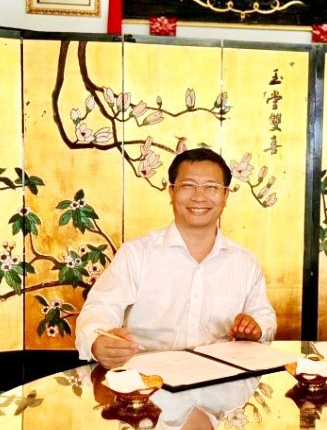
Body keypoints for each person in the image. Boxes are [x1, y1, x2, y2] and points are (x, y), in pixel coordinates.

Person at [75, 148, 277, 369]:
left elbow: (264, 317)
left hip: (220, 388)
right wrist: (97, 341)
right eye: (188, 186)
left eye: (211, 187)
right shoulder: (137, 253)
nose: (199, 196)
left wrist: (255, 328)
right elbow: (99, 309)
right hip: (147, 387)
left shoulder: (244, 262)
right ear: (171, 192)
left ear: (225, 195)